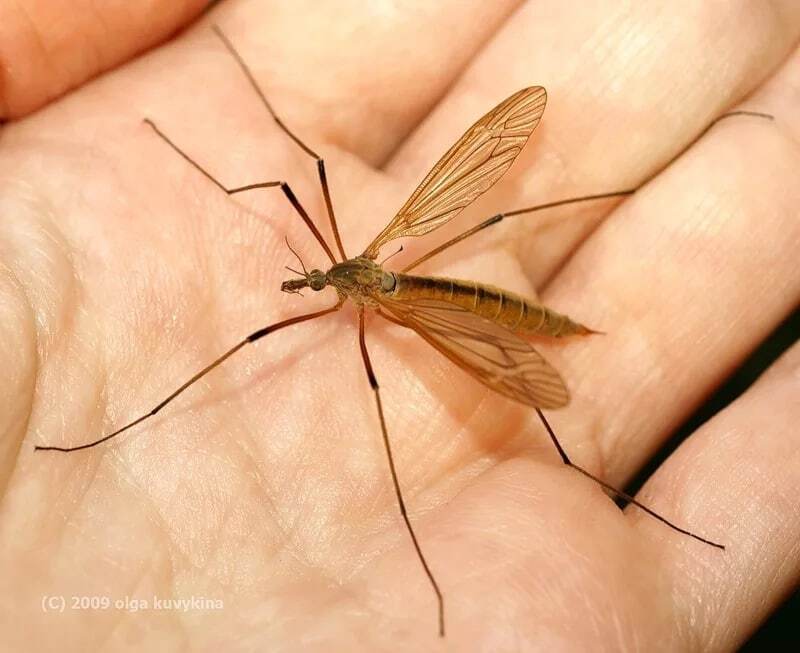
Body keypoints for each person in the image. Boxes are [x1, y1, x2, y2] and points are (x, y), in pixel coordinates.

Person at [1, 2, 798, 650]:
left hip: (434, 298)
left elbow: (310, 175)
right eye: (319, 277)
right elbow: (291, 174)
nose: (315, 279)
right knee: (299, 178)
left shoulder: (383, 301)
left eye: (319, 278)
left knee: (481, 301)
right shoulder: (351, 265)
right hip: (403, 276)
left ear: (335, 278)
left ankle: (643, 188)